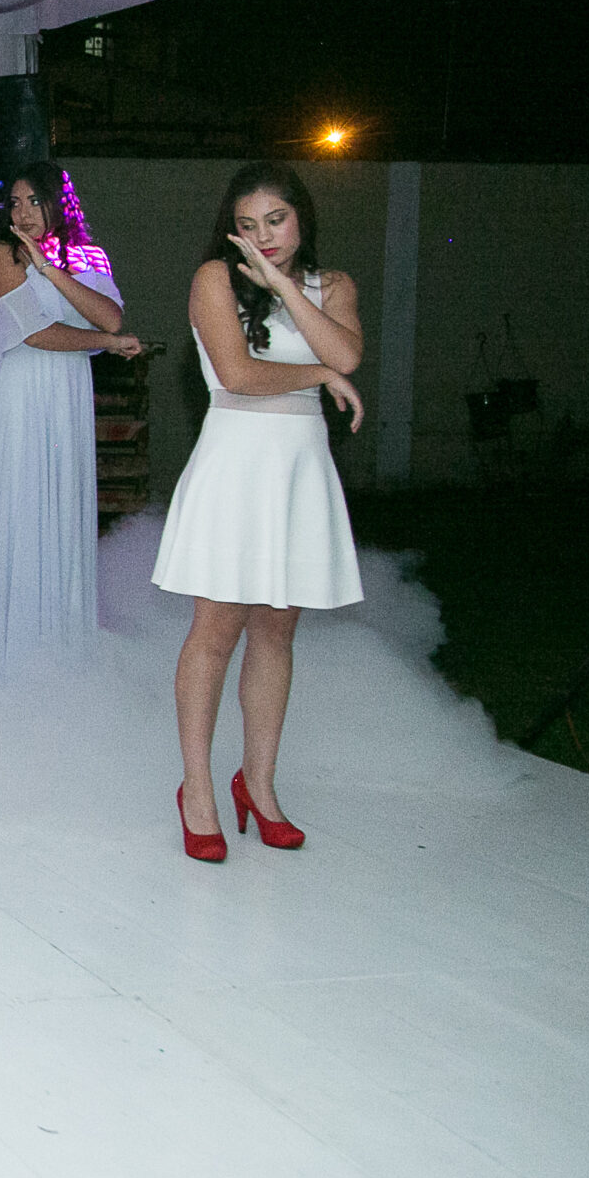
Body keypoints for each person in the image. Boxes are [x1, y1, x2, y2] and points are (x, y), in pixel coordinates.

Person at [152, 162, 365, 862]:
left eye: (276, 220)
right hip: (236, 461)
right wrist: (319, 374)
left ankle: (261, 786)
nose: (262, 236)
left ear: (302, 218)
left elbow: (346, 352)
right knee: (215, 630)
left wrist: (283, 289)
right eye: (247, 225)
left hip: (299, 471)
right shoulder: (214, 278)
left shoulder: (333, 287)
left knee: (276, 631)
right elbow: (239, 373)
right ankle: (199, 789)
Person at [0, 164, 143, 659]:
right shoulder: (2, 253)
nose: (22, 213)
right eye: (14, 204)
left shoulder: (88, 256)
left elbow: (111, 314)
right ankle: (9, 648)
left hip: (67, 391)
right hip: (24, 388)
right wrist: (107, 342)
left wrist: (48, 269)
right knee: (23, 503)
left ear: (56, 203)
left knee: (61, 501)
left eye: (32, 202)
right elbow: (36, 331)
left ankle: (60, 644)